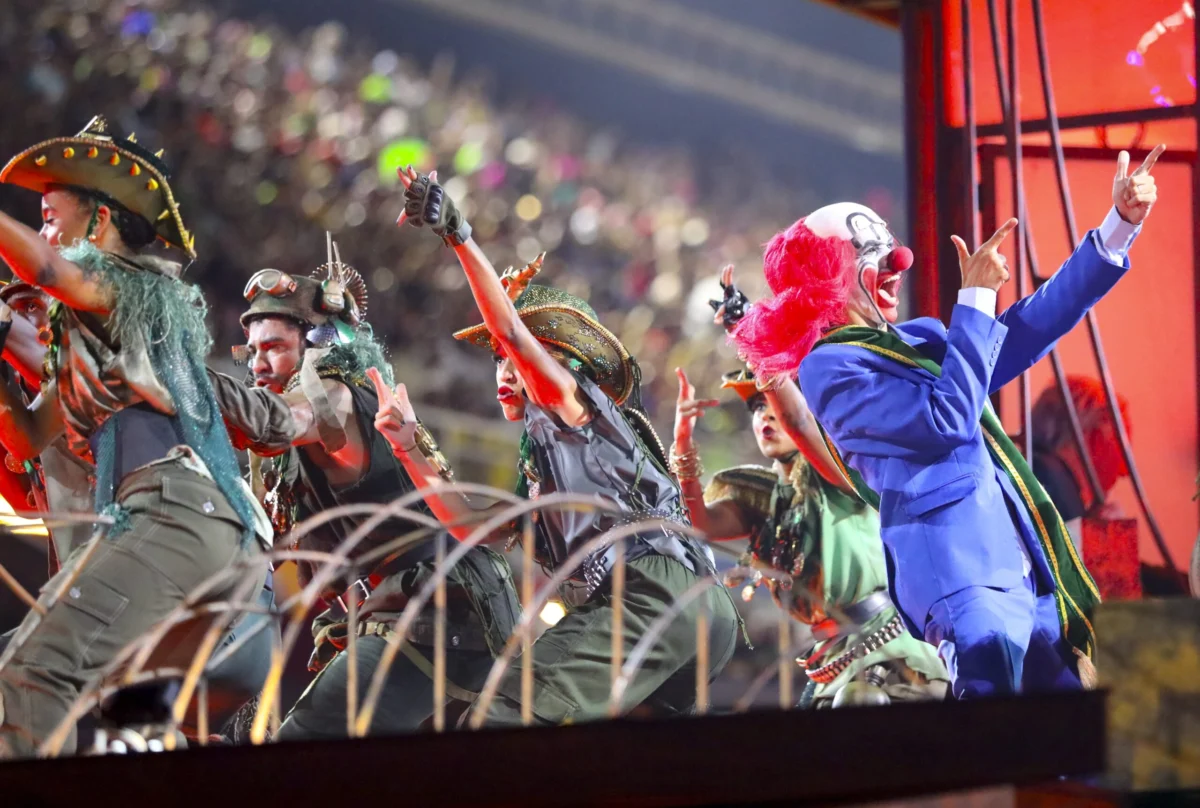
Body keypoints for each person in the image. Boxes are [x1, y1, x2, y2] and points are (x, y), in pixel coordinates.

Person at [731, 146, 1163, 698]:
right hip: (962, 577)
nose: (897, 263)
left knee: (1086, 737)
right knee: (992, 736)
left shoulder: (924, 338)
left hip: (1027, 565)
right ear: (827, 278)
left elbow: (1028, 328)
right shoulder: (828, 367)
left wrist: (1117, 229)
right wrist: (976, 297)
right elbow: (945, 420)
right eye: (872, 254)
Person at [372, 167, 739, 725]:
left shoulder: (572, 407)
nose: (503, 367)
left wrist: (457, 231)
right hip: (697, 610)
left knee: (492, 720)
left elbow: (515, 335)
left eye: (511, 359)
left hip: (653, 590)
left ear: (559, 361)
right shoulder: (551, 459)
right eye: (496, 359)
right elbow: (476, 528)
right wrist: (408, 448)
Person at [0, 116, 272, 756]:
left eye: (49, 214)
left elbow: (41, 267)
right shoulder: (77, 343)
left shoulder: (132, 284)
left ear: (98, 225)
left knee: (33, 677)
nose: (42, 232)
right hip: (174, 531)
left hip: (180, 512)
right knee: (74, 701)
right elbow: (23, 438)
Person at [207, 239, 519, 739]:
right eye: (254, 350)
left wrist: (175, 371)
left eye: (276, 348)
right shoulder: (285, 443)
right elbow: (284, 567)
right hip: (399, 613)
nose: (258, 365)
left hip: (443, 607)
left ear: (317, 347)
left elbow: (272, 423)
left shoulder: (334, 400)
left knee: (301, 746)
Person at [673, 357, 948, 706]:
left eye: (773, 403)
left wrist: (760, 351)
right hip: (832, 655)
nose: (765, 416)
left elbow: (800, 422)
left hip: (885, 646)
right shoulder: (765, 498)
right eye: (757, 407)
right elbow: (701, 524)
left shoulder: (840, 472)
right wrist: (683, 444)